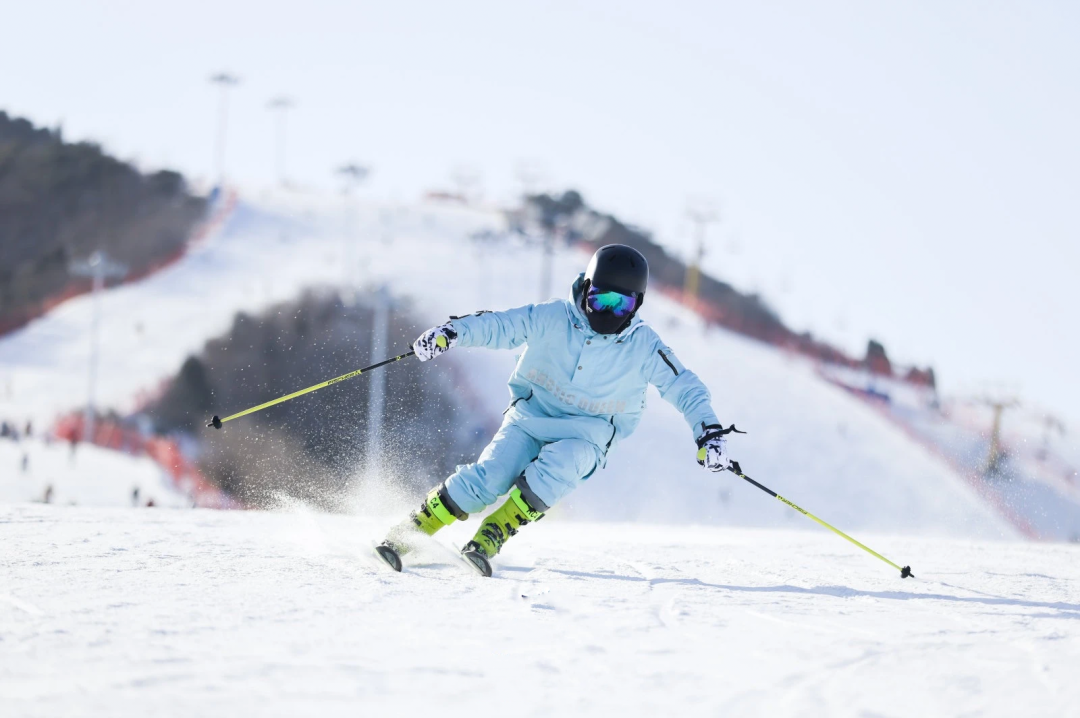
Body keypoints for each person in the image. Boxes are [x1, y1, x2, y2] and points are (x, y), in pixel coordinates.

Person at [377, 244, 736, 576]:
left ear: (637, 305)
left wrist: (709, 433)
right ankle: (413, 530)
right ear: (586, 289)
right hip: (530, 418)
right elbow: (501, 325)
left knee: (560, 468)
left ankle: (492, 534)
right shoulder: (552, 316)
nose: (608, 312)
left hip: (588, 433)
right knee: (489, 477)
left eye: (620, 305)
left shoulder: (643, 345)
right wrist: (452, 333)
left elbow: (684, 386)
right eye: (601, 299)